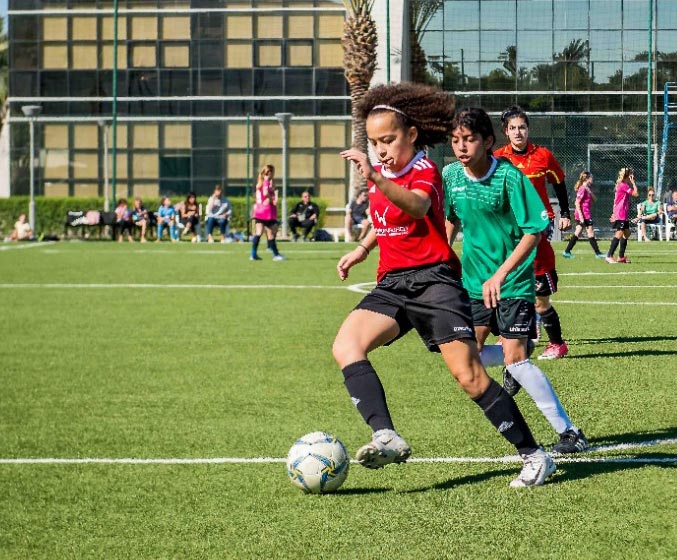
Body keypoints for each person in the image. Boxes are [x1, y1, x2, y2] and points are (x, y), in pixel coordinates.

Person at [335, 82, 556, 487]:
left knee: (469, 376)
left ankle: (534, 455)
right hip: (392, 283)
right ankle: (385, 435)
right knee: (346, 346)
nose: (381, 149)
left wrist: (376, 178)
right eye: (374, 142)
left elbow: (417, 206)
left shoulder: (426, 171)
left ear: (411, 134)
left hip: (434, 281)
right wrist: (362, 249)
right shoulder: (383, 173)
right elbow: (386, 218)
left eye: (389, 140)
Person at [443, 107, 588, 455]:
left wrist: (501, 273)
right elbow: (450, 219)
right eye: (455, 140)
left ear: (487, 141)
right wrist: (441, 260)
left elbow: (534, 231)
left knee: (515, 361)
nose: (461, 147)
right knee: (468, 358)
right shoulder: (451, 175)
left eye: (469, 139)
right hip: (474, 283)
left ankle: (570, 432)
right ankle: (519, 353)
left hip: (512, 282)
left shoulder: (509, 177)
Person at [494, 105, 571, 360]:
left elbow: (559, 183)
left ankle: (544, 332)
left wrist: (566, 213)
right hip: (511, 226)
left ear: (528, 129)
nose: (518, 132)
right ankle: (519, 328)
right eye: (513, 128)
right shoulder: (498, 158)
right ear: (506, 132)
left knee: (530, 270)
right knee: (509, 278)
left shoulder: (543, 155)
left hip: (540, 222)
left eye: (522, 127)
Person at [562, 171, 604, 258]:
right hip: (583, 214)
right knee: (590, 232)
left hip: (586, 213)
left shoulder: (587, 188)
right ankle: (598, 253)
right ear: (587, 178)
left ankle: (567, 252)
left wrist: (590, 192)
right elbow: (577, 203)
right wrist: (581, 217)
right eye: (591, 177)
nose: (592, 179)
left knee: (578, 232)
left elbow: (595, 199)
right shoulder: (582, 189)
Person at [251, 164, 285, 261]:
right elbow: (265, 193)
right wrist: (271, 199)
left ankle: (253, 254)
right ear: (269, 172)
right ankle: (276, 255)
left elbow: (261, 194)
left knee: (258, 233)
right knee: (271, 233)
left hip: (258, 211)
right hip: (266, 212)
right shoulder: (265, 181)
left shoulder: (259, 183)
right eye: (272, 172)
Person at [606, 167, 639, 263]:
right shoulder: (623, 185)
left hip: (622, 213)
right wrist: (633, 183)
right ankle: (609, 255)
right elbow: (636, 194)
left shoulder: (623, 185)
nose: (632, 175)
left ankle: (620, 257)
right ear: (627, 175)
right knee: (619, 233)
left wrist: (613, 213)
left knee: (627, 233)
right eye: (631, 174)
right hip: (620, 213)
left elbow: (616, 201)